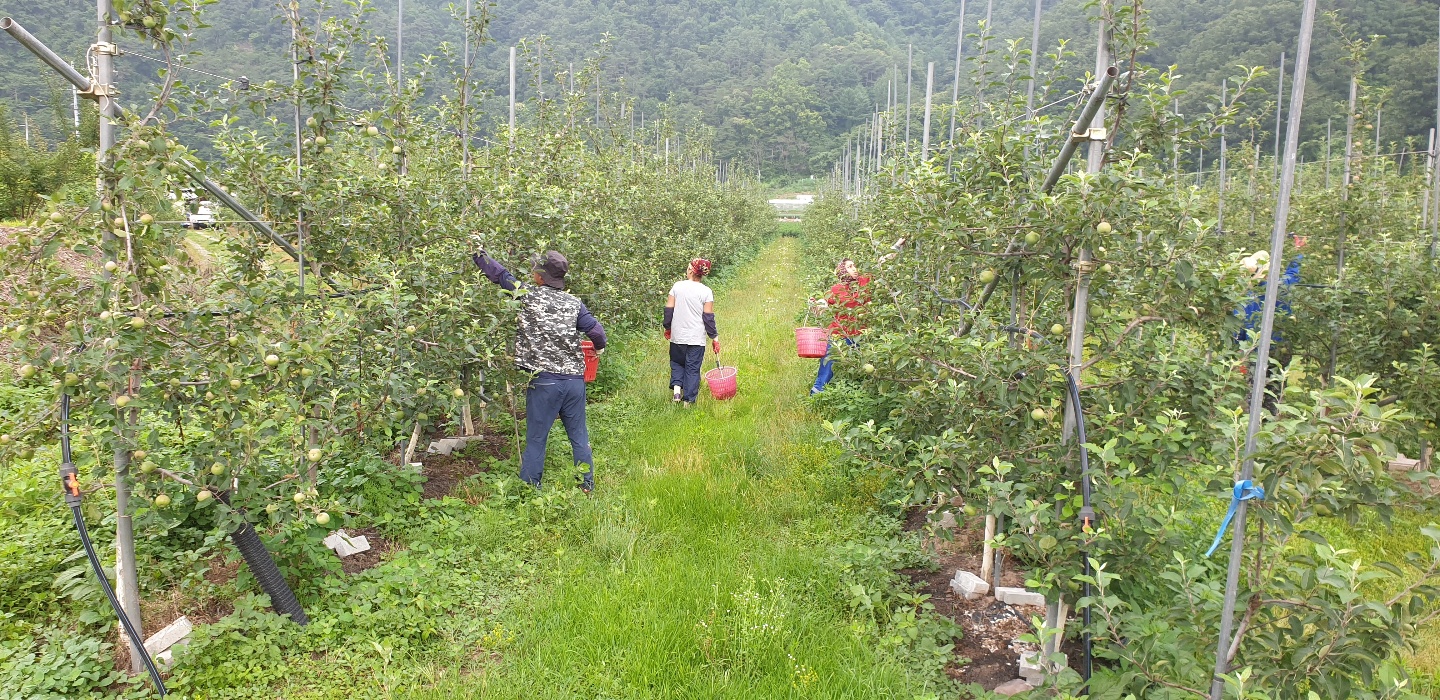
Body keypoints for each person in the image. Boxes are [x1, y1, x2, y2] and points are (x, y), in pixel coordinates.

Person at [472, 249, 606, 492]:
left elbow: (501, 275)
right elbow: (597, 333)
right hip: (574, 381)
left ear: (541, 276)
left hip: (545, 381)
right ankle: (586, 486)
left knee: (536, 438)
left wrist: (479, 253)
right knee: (579, 436)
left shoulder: (528, 296)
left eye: (535, 269)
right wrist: (598, 349)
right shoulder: (574, 303)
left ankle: (531, 489)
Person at [664, 258, 720, 406]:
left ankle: (677, 391)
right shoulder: (706, 291)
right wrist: (714, 337)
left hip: (678, 336)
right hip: (696, 338)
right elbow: (708, 318)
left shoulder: (677, 286)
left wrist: (668, 327)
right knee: (692, 368)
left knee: (677, 363)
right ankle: (688, 402)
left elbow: (669, 309)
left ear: (691, 270)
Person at [810, 258, 870, 394]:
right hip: (839, 335)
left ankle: (857, 395)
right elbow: (822, 304)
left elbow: (882, 262)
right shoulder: (836, 289)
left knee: (862, 367)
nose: (854, 268)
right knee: (827, 367)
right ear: (843, 271)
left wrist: (897, 244)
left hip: (860, 335)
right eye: (849, 266)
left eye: (854, 265)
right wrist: (815, 304)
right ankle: (815, 396)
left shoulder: (864, 282)